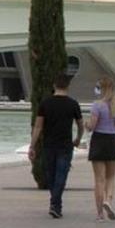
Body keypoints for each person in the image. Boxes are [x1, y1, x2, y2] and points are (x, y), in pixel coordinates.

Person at [27, 73, 82, 219]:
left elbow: (38, 127)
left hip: (49, 145)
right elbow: (80, 124)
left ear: (54, 86)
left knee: (51, 176)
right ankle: (56, 204)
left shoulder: (45, 103)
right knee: (61, 175)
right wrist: (78, 138)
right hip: (65, 145)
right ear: (68, 87)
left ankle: (55, 204)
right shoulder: (73, 104)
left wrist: (32, 146)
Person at [86, 77, 115, 222]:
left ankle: (99, 214)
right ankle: (108, 201)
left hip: (99, 140)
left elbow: (93, 125)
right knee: (111, 177)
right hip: (112, 141)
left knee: (99, 179)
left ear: (102, 89)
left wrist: (86, 125)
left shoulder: (97, 105)